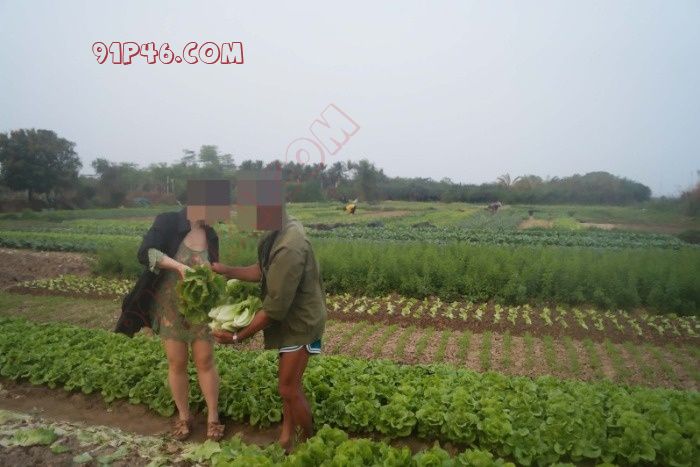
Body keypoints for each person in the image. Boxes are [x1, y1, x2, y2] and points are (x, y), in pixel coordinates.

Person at [211, 215, 326, 453]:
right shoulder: (276, 232)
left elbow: (274, 309)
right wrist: (227, 271)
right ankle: (286, 438)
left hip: (301, 324)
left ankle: (309, 445)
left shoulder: (289, 247)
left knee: (288, 388)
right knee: (289, 385)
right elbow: (261, 270)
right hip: (291, 320)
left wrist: (236, 337)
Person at [116, 207, 224, 441]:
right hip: (170, 306)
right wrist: (179, 266)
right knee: (177, 362)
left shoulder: (211, 233)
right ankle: (184, 416)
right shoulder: (168, 221)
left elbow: (215, 267)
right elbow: (146, 253)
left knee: (205, 360)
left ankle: (213, 417)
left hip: (199, 308)